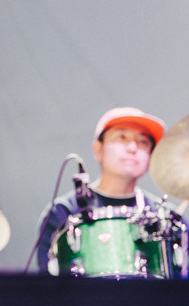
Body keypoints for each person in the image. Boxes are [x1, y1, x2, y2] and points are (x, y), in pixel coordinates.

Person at [35, 107, 176, 275]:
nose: (132, 147)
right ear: (98, 149)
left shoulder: (165, 217)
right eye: (121, 137)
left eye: (143, 141)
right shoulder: (63, 211)